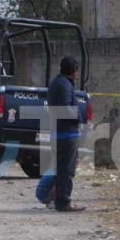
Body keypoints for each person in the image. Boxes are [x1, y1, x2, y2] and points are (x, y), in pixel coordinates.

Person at [47, 56, 86, 212]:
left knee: (60, 169)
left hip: (57, 133)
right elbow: (64, 110)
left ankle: (59, 200)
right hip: (67, 134)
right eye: (77, 70)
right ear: (73, 70)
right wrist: (79, 118)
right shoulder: (65, 86)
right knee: (67, 170)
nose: (77, 74)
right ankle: (64, 202)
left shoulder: (56, 83)